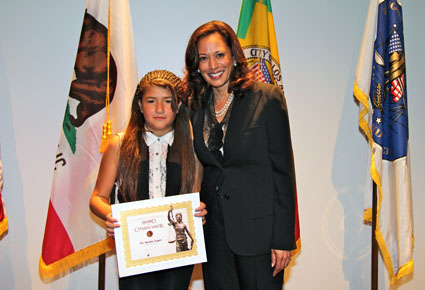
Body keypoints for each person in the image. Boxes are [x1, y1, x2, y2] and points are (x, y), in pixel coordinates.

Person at [183, 20, 297, 290]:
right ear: (196, 65)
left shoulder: (267, 98)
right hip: (213, 235)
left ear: (234, 56)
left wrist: (282, 238)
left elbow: (283, 172)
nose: (213, 65)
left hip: (260, 235)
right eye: (204, 58)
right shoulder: (195, 107)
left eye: (219, 55)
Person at [90, 70, 206, 290]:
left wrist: (198, 211)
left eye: (168, 101)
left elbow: (195, 195)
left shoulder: (192, 148)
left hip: (177, 249)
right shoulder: (119, 144)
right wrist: (111, 216)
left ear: (179, 106)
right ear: (140, 106)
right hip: (135, 248)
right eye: (151, 101)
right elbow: (98, 197)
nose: (160, 109)